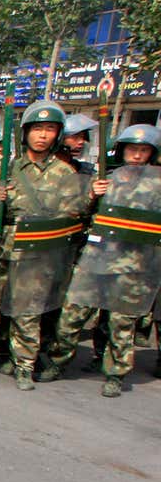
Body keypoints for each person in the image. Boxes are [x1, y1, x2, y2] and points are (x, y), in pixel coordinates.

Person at [0, 100, 92, 391]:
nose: (42, 135)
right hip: (2, 248)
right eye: (37, 129)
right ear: (25, 132)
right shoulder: (6, 168)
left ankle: (23, 364)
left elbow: (73, 213)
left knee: (28, 310)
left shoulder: (65, 173)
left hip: (37, 251)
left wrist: (91, 197)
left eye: (49, 129)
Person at [41, 124, 161, 397]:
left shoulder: (158, 184)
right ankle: (58, 362)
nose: (137, 156)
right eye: (132, 149)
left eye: (144, 150)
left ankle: (115, 373)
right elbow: (76, 211)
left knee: (121, 324)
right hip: (98, 259)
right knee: (73, 314)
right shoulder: (106, 178)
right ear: (122, 150)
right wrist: (93, 193)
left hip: (134, 265)